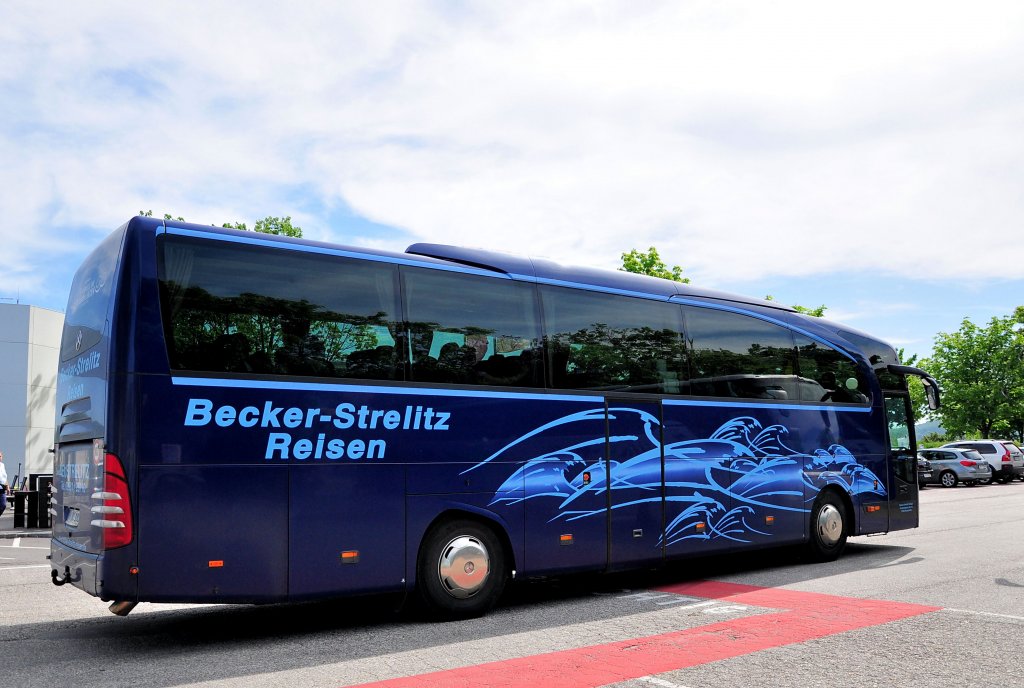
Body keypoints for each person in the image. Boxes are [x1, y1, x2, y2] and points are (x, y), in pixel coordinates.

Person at [0, 451, 8, 518]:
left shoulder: (2, 465)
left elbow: (4, 477)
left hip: (2, 489)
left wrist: (7, 486)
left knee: (3, 505)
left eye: (0, 456)